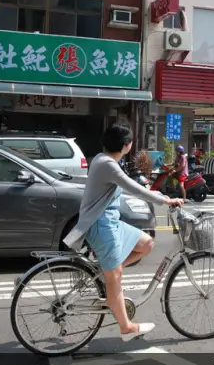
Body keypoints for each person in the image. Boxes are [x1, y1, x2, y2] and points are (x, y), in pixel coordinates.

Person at [63, 124, 184, 341]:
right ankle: (126, 327)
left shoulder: (105, 160)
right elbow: (132, 188)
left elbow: (128, 186)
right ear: (126, 146)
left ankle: (106, 273)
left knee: (146, 244)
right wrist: (165, 200)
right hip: (101, 225)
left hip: (112, 222)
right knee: (116, 275)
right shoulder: (107, 164)